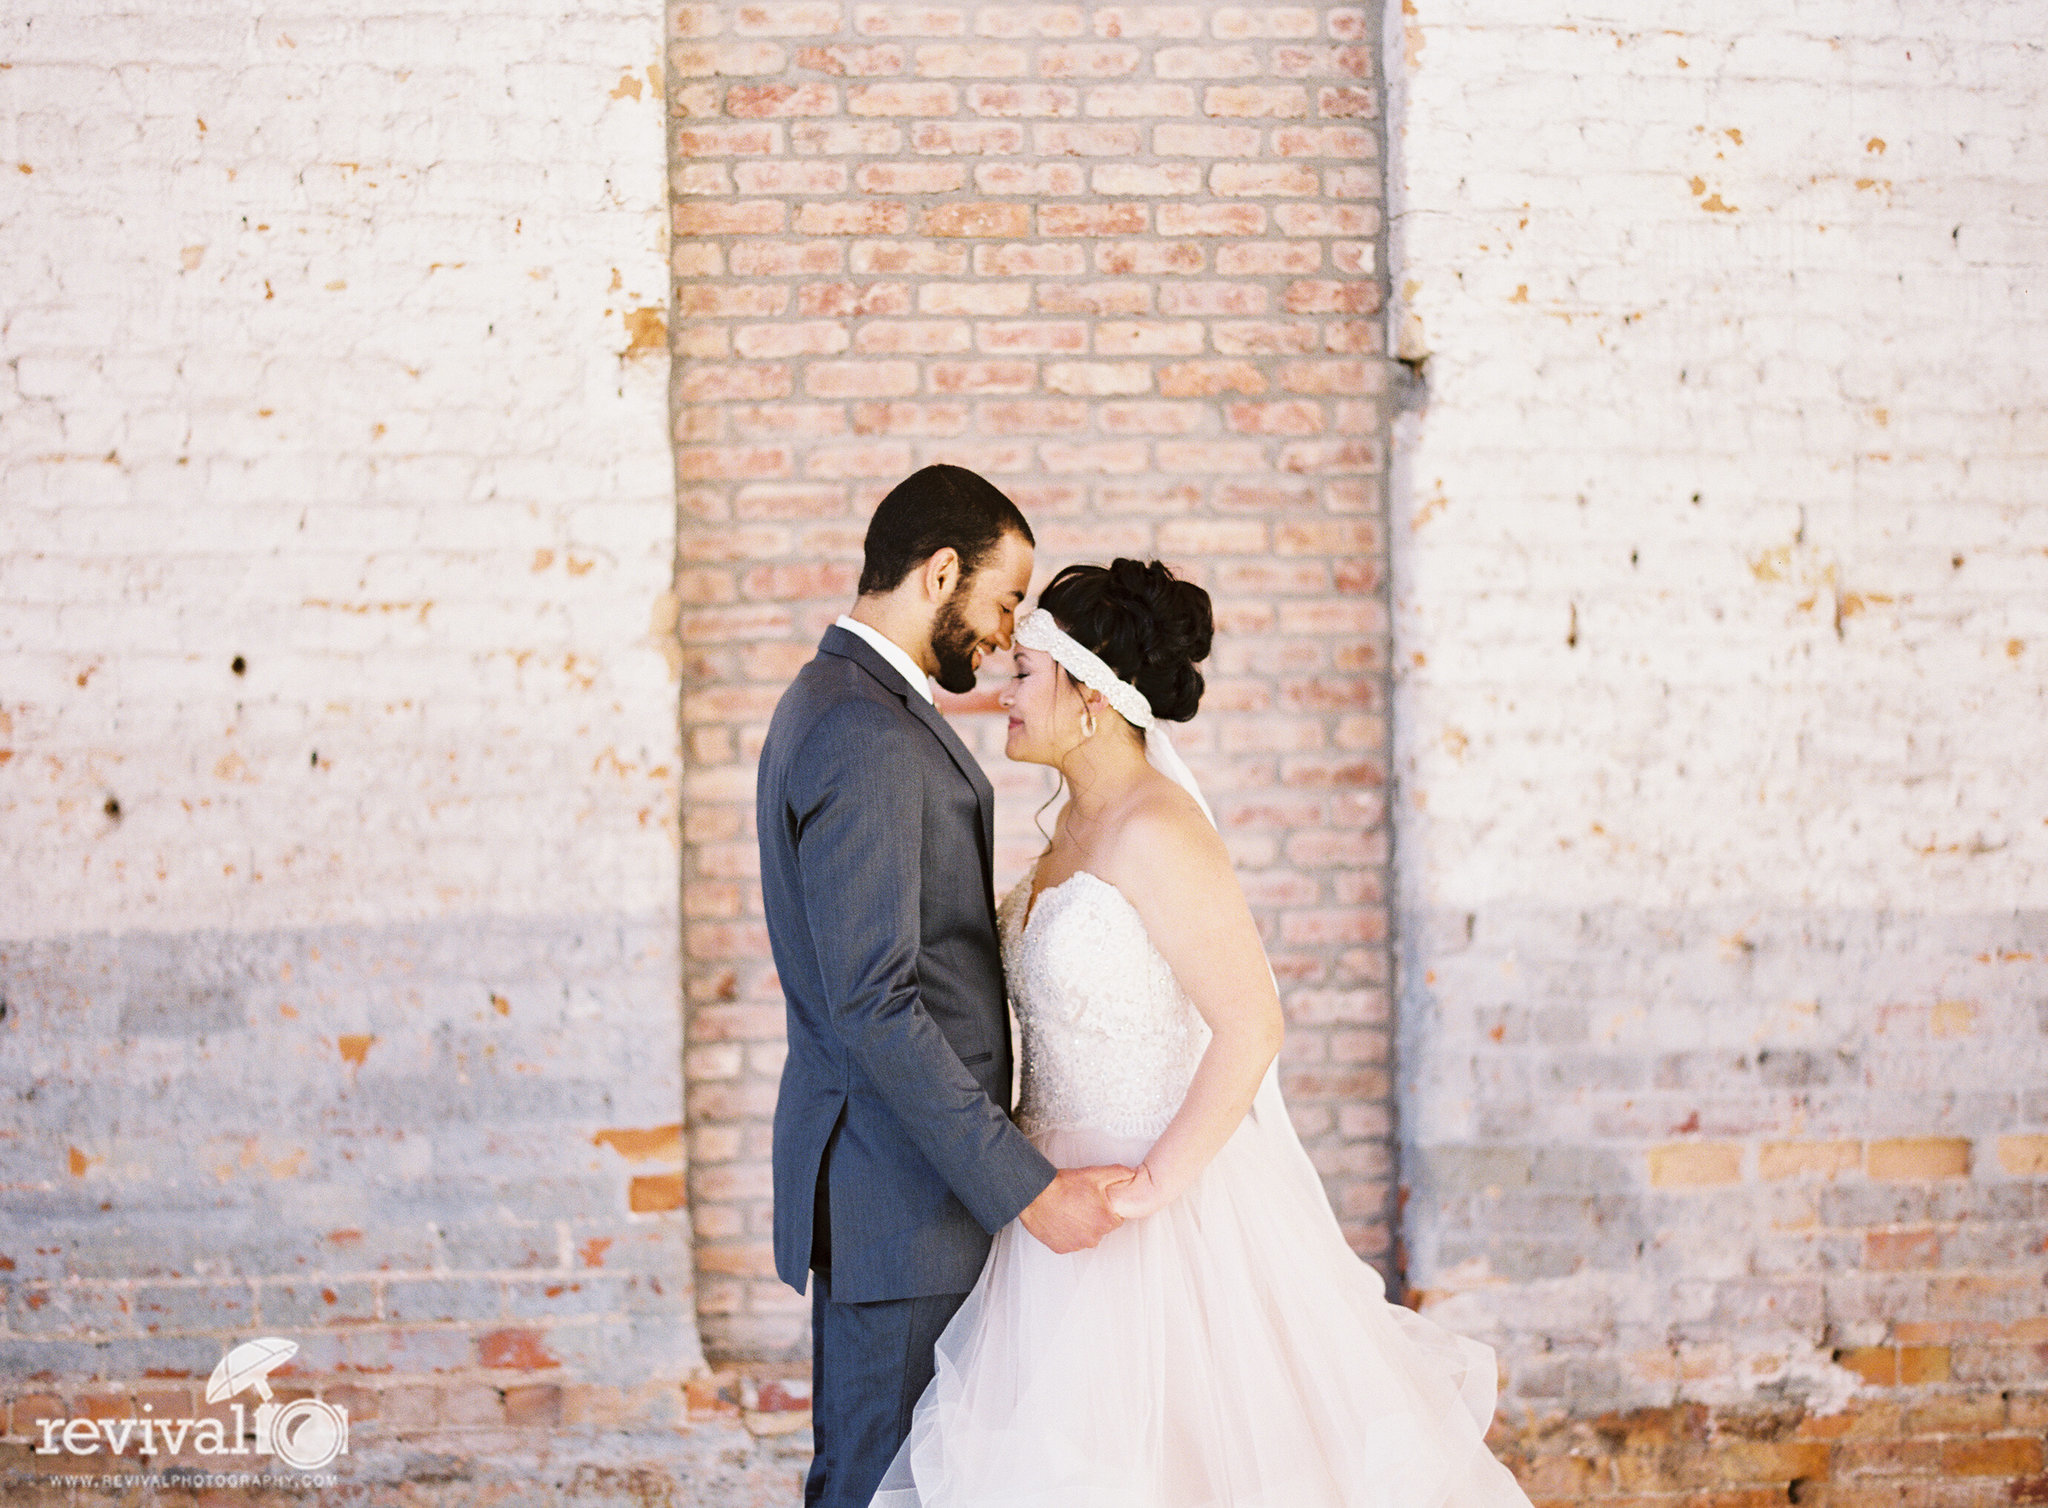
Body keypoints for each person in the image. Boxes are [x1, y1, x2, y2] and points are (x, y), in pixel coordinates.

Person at [869, 559, 1537, 1508]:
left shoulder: (1158, 829)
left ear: (1091, 694)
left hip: (1154, 1219)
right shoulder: (1068, 834)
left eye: (1026, 674)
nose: (1001, 692)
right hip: (1049, 1213)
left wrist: (1153, 1189)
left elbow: (1251, 1021)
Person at [756, 466, 1137, 1508]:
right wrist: (1027, 1187)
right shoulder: (863, 731)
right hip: (902, 1204)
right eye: (1005, 598)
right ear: (938, 574)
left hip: (903, 1193)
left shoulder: (844, 700)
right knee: (880, 1485)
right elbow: (876, 1003)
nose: (1009, 632)